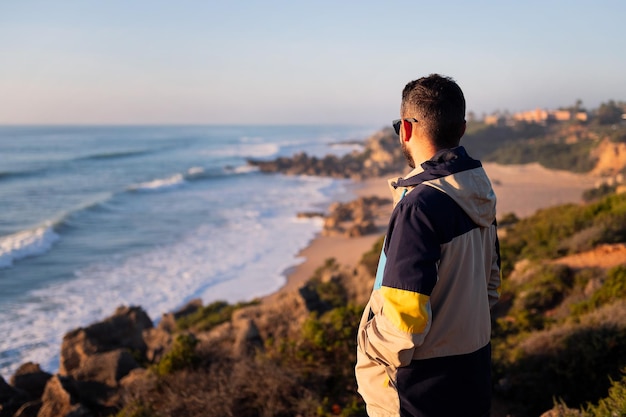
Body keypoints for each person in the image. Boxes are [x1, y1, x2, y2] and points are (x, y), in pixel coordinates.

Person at [355, 74, 501, 417]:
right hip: (472, 378)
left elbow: (402, 321)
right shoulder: (479, 194)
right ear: (461, 129)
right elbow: (490, 288)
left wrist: (368, 352)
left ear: (406, 128)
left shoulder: (418, 207)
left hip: (418, 393)